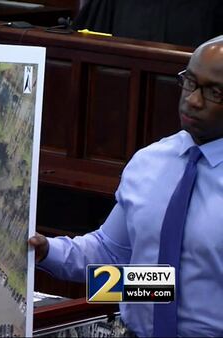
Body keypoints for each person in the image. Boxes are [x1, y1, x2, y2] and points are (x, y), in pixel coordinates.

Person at [30, 36, 223, 337]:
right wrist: (45, 252)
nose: (193, 100)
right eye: (190, 83)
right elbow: (115, 255)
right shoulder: (150, 162)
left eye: (214, 93)